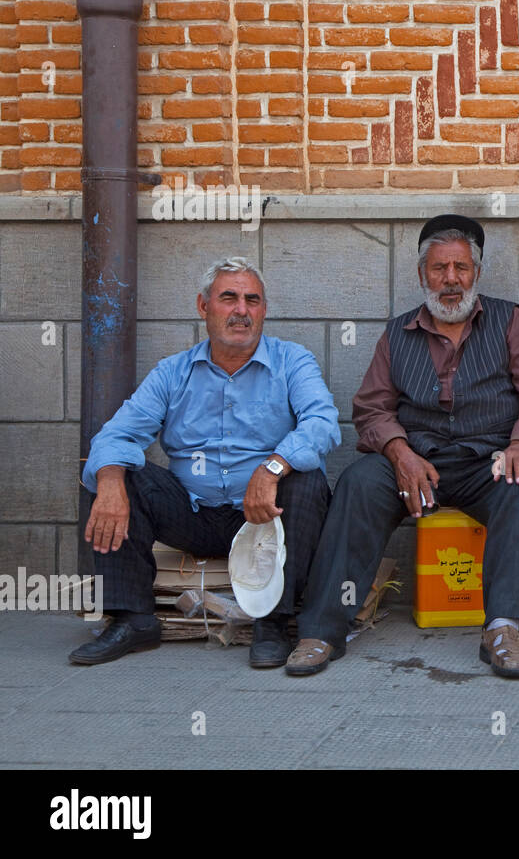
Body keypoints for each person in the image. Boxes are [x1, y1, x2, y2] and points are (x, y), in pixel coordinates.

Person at [288, 215, 519, 679]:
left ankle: (503, 628)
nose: (451, 279)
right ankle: (321, 630)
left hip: (485, 460)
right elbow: (371, 410)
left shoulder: (510, 321)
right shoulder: (397, 335)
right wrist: (400, 453)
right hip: (413, 461)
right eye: (439, 269)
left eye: (461, 268)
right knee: (357, 483)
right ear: (421, 275)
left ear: (476, 273)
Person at [74, 257, 339, 668]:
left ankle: (273, 622)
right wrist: (108, 482)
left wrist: (272, 467)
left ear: (264, 310)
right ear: (203, 307)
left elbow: (322, 423)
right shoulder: (173, 372)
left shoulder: (292, 361)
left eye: (252, 300)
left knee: (306, 481)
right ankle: (133, 619)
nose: (241, 310)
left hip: (265, 517)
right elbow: (117, 434)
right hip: (192, 513)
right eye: (228, 298)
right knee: (117, 475)